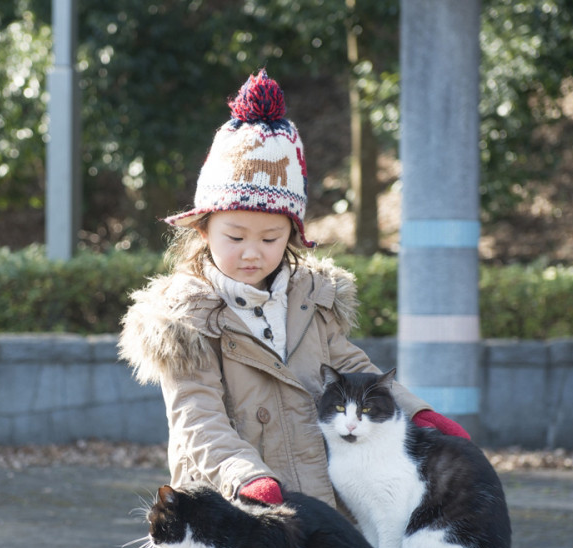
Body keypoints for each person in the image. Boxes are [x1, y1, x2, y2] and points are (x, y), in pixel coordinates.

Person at [118, 69, 469, 508]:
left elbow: (351, 368)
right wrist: (245, 476)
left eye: (269, 239)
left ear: (293, 237)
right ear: (204, 230)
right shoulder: (186, 320)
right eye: (235, 236)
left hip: (320, 490)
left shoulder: (309, 297)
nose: (252, 252)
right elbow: (196, 418)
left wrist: (415, 413)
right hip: (231, 502)